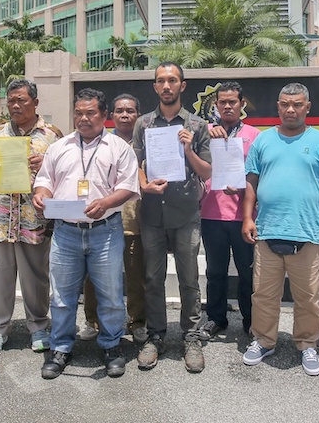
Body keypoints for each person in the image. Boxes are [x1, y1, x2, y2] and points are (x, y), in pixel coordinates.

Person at [32, 89, 140, 379]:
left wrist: (105, 202)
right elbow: (44, 181)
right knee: (63, 296)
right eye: (78, 112)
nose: (83, 118)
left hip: (105, 230)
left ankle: (111, 345)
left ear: (104, 116)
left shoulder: (118, 147)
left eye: (90, 112)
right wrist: (41, 195)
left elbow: (129, 187)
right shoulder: (60, 146)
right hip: (66, 233)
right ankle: (61, 347)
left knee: (111, 295)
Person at [241, 82, 319, 376]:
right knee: (263, 294)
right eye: (285, 104)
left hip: (308, 233)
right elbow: (251, 183)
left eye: (297, 104)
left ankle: (307, 343)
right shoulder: (262, 141)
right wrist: (248, 218)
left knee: (309, 297)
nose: (290, 109)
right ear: (277, 106)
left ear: (307, 107)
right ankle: (263, 340)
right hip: (267, 231)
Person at [132, 62, 212, 373]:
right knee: (153, 279)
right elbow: (135, 163)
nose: (167, 86)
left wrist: (189, 150)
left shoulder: (197, 125)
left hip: (185, 212)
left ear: (182, 85)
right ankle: (156, 336)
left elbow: (207, 171)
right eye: (161, 81)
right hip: (151, 212)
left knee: (189, 280)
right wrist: (143, 185)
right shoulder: (143, 124)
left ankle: (190, 338)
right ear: (155, 87)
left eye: (172, 80)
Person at [0, 79, 62, 359]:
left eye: (21, 100)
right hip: (0, 219)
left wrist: (47, 163)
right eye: (11, 100)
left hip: (34, 219)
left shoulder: (52, 136)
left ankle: (39, 327)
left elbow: (66, 175)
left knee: (36, 277)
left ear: (35, 103)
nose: (15, 105)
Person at [77, 94, 149, 345]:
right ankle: (92, 320)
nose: (125, 115)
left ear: (138, 114)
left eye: (130, 110)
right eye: (119, 111)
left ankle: (137, 321)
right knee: (94, 278)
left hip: (135, 222)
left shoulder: (147, 144)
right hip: (99, 222)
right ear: (111, 115)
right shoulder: (97, 143)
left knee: (135, 276)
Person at [199, 82, 261, 339]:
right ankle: (216, 318)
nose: (227, 106)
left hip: (243, 217)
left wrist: (245, 191)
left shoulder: (255, 136)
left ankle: (250, 319)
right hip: (211, 213)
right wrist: (208, 133)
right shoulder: (205, 133)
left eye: (232, 101)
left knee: (247, 271)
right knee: (215, 270)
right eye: (222, 102)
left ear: (242, 104)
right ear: (215, 105)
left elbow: (259, 175)